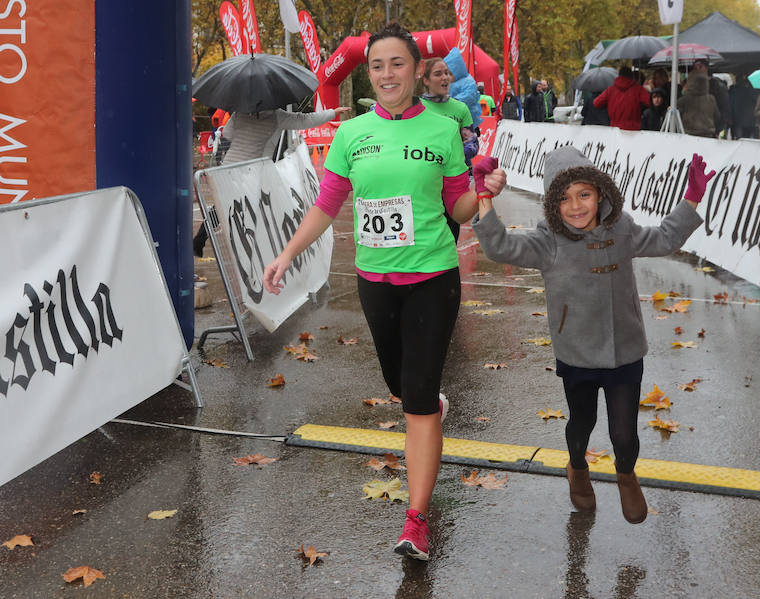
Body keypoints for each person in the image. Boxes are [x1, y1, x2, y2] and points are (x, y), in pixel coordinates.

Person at [262, 22, 506, 561]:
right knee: (400, 385)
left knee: (417, 401)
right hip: (376, 283)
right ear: (367, 74)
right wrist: (285, 254)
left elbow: (457, 211)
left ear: (417, 71)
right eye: (377, 65)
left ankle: (416, 519)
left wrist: (480, 191)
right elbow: (326, 205)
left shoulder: (442, 130)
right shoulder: (352, 135)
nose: (387, 73)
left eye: (397, 63)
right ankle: (424, 401)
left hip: (432, 278)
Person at [472, 148, 714, 523]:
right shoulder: (547, 241)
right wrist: (484, 199)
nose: (575, 206)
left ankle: (626, 476)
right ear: (553, 204)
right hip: (577, 354)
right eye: (564, 198)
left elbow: (665, 238)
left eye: (583, 194)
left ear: (600, 193)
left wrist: (692, 198)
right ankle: (577, 470)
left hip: (625, 350)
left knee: (624, 433)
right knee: (581, 423)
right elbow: (500, 246)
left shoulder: (622, 230)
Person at [192, 105, 350, 257]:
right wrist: (332, 112)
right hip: (250, 172)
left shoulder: (239, 113)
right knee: (255, 210)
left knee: (221, 208)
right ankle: (253, 251)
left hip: (228, 168)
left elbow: (228, 134)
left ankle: (199, 240)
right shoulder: (276, 115)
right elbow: (304, 120)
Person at [420, 56, 478, 241]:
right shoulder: (415, 107)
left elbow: (473, 144)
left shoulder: (460, 109)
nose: (445, 78)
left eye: (447, 73)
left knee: (450, 234)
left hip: (453, 180)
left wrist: (450, 153)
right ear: (426, 80)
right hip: (424, 180)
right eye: (438, 74)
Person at [593, 66, 650, 131]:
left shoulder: (610, 90)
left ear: (619, 75)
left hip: (614, 129)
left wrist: (609, 104)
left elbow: (596, 103)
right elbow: (650, 102)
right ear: (631, 76)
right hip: (633, 130)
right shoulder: (638, 90)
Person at [677, 62, 719, 138]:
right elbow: (717, 117)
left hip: (688, 135)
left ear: (690, 82)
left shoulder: (684, 99)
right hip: (708, 135)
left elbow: (676, 118)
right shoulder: (711, 99)